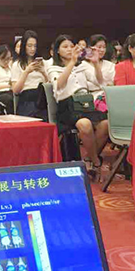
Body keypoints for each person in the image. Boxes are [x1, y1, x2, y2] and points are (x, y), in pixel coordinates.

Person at [47, 35, 109, 174]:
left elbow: (99, 82)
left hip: (85, 103)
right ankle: (96, 162)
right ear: (57, 51)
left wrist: (96, 63)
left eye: (71, 46)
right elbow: (59, 85)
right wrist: (72, 62)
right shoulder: (53, 68)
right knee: (85, 124)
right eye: (65, 47)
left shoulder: (82, 66)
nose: (69, 49)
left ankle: (87, 159)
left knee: (105, 124)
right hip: (67, 106)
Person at [10, 30, 48, 119]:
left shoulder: (44, 63)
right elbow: (15, 90)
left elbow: (51, 85)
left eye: (35, 46)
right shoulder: (17, 64)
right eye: (29, 46)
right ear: (24, 46)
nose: (33, 49)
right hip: (27, 97)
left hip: (43, 96)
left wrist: (43, 72)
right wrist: (26, 72)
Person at [84, 34, 116, 103]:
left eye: (104, 47)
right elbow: (84, 85)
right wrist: (105, 85)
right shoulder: (82, 65)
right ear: (90, 48)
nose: (102, 50)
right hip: (89, 100)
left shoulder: (110, 65)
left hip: (110, 97)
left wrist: (94, 85)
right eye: (99, 47)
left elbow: (113, 84)